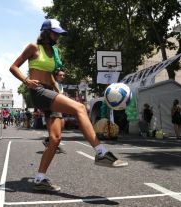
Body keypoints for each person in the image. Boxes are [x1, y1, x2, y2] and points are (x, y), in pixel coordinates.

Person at [9, 18, 128, 192]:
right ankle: (101, 152)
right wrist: (26, 81)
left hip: (50, 91)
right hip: (39, 92)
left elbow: (49, 74)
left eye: (59, 34)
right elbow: (13, 67)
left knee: (55, 139)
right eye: (55, 33)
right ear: (46, 33)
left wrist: (58, 90)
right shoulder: (34, 48)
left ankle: (40, 178)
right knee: (80, 108)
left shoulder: (55, 51)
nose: (58, 36)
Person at [42, 70, 66, 153]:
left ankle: (48, 141)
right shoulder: (52, 84)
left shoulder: (61, 85)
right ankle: (52, 145)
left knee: (62, 126)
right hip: (52, 108)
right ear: (56, 76)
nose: (62, 77)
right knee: (54, 130)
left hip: (59, 108)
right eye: (61, 75)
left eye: (63, 75)